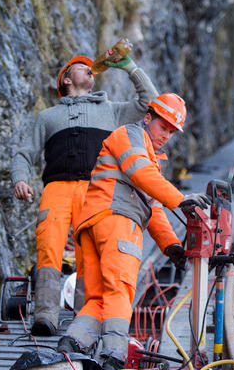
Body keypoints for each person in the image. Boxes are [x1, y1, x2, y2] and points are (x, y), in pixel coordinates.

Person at [58, 93, 210, 370]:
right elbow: (141, 175)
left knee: (98, 298)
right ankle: (114, 356)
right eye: (163, 127)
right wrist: (179, 198)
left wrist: (170, 245)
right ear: (148, 118)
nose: (166, 135)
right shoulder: (130, 135)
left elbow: (151, 205)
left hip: (93, 224)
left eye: (171, 131)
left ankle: (73, 342)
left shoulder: (146, 154)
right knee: (120, 290)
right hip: (117, 222)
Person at [10, 52, 157, 335]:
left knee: (88, 256)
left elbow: (148, 102)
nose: (90, 70)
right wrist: (20, 179)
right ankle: (45, 317)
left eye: (92, 68)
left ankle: (82, 319)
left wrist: (129, 67)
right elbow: (24, 154)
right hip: (56, 190)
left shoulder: (112, 111)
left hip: (96, 191)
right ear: (66, 79)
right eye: (81, 68)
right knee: (48, 248)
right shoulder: (47, 117)